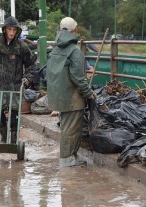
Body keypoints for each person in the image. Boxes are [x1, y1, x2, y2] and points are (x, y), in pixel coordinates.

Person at [46, 17, 96, 167]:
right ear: (74, 31)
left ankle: (71, 156)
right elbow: (79, 78)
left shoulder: (56, 49)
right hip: (71, 98)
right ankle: (67, 159)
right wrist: (89, 93)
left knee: (66, 127)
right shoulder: (74, 51)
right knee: (71, 128)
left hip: (58, 95)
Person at [0, 16, 37, 143]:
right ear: (4, 30)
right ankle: (3, 134)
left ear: (17, 31)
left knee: (14, 112)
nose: (11, 33)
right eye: (9, 29)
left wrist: (27, 79)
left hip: (15, 85)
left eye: (14, 30)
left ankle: (13, 138)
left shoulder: (22, 46)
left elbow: (31, 65)